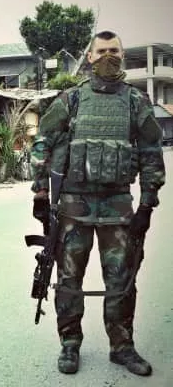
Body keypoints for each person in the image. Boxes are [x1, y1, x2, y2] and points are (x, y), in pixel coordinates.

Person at [30, 30, 165, 376]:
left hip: (117, 207)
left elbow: (151, 152)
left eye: (114, 50)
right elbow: (43, 142)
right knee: (69, 281)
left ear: (123, 55)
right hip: (73, 207)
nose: (108, 56)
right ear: (89, 57)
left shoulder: (135, 101)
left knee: (122, 282)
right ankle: (69, 344)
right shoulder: (72, 99)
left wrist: (147, 204)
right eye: (101, 51)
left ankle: (122, 347)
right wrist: (41, 193)